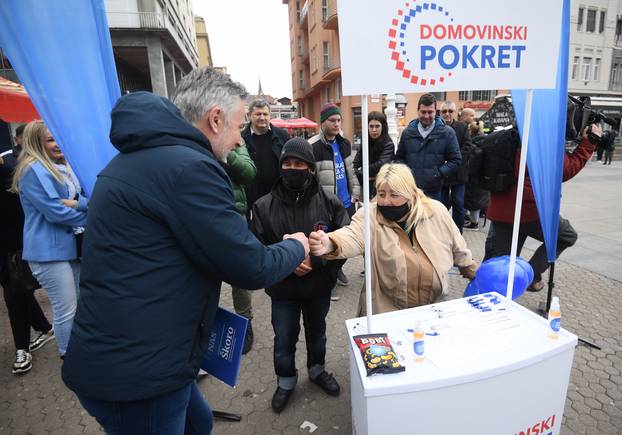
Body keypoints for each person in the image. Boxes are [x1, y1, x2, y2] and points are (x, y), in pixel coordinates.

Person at [61, 68, 309, 435]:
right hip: (138, 374)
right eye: (239, 127)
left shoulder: (144, 157)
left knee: (198, 422)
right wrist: (295, 246)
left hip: (136, 353)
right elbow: (250, 266)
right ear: (215, 119)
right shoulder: (189, 169)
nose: (240, 141)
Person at [251, 138, 349, 413]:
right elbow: (257, 248)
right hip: (283, 290)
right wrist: (286, 263)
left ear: (310, 168)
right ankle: (285, 381)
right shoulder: (262, 206)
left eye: (299, 164)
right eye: (287, 163)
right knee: (284, 338)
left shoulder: (329, 203)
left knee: (317, 334)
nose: (292, 168)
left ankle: (317, 371)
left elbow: (343, 242)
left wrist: (317, 263)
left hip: (318, 287)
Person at [309, 163, 477, 315]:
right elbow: (352, 235)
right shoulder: (370, 215)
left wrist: (470, 269)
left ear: (410, 193)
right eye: (381, 194)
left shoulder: (436, 211)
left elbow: (458, 247)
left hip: (432, 311)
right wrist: (330, 243)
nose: (386, 201)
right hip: (386, 314)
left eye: (394, 195)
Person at [484, 125, 601, 292]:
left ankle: (490, 297)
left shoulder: (508, 135)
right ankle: (529, 276)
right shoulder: (543, 139)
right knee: (566, 236)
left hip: (500, 207)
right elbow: (566, 170)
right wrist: (589, 142)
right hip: (529, 209)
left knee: (502, 263)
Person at [10, 121, 87, 359]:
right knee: (67, 309)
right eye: (51, 140)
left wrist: (82, 204)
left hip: (69, 246)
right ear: (37, 143)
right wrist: (93, 214)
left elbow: (84, 197)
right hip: (48, 251)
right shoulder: (33, 169)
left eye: (59, 138)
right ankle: (68, 356)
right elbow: (56, 212)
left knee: (77, 306)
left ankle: (80, 353)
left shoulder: (62, 166)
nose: (58, 144)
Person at [238, 100, 290, 351]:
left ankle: (280, 271)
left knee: (279, 236)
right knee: (255, 241)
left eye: (265, 114)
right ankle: (261, 269)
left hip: (278, 198)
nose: (262, 118)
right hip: (251, 200)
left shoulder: (281, 135)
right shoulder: (240, 139)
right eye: (257, 114)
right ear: (250, 116)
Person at [1, 124, 54, 374]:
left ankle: (22, 347)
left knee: (14, 293)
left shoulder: (15, 167)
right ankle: (44, 327)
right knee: (17, 289)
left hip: (14, 243)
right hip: (9, 244)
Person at [309, 103, 360, 297]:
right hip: (324, 205)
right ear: (323, 122)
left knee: (347, 242)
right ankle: (326, 281)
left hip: (346, 203)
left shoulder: (345, 143)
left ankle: (336, 269)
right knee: (325, 243)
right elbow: (310, 179)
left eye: (339, 120)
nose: (337, 124)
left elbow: (351, 171)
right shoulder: (313, 146)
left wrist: (356, 191)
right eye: (332, 120)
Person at [395, 93, 461, 201]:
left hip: (434, 190)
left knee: (432, 218)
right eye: (423, 112)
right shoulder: (407, 133)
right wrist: (406, 174)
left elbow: (455, 160)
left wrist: (438, 173)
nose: (426, 116)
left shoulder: (447, 133)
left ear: (436, 112)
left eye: (430, 112)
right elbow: (399, 158)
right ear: (418, 111)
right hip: (411, 189)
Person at [224, 142, 256, 354]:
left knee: (239, 273)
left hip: (235, 215)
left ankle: (245, 323)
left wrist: (227, 154)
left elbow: (248, 173)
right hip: (201, 214)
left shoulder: (233, 142)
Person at [440, 100, 472, 233]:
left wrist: (455, 160)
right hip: (442, 173)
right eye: (444, 111)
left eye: (450, 111)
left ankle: (458, 231)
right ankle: (442, 230)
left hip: (458, 173)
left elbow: (467, 147)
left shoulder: (462, 127)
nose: (447, 114)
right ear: (440, 113)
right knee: (442, 205)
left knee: (458, 203)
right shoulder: (436, 127)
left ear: (455, 113)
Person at [353, 111, 395, 198]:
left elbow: (381, 165)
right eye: (371, 126)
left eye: (377, 126)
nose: (374, 130)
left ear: (383, 127)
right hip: (365, 187)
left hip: (382, 189)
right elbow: (355, 165)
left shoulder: (388, 144)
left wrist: (362, 171)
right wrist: (362, 174)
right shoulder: (365, 142)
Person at [464, 121, 489, 230]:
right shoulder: (487, 141)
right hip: (484, 176)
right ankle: (475, 220)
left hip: (474, 178)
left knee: (473, 200)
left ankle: (474, 223)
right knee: (479, 199)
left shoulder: (472, 145)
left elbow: (471, 165)